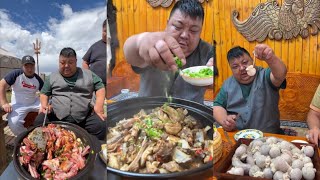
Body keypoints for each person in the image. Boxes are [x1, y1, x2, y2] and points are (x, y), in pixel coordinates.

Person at [123, 0, 214, 104]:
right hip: (147, 114)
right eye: (177, 26)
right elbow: (130, 52)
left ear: (200, 32)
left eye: (193, 31)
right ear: (167, 25)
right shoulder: (153, 44)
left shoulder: (208, 51)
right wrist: (140, 41)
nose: (184, 35)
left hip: (191, 116)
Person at [213, 44, 287, 134]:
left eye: (245, 62)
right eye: (235, 67)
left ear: (252, 61)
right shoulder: (228, 84)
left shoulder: (265, 75)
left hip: (267, 136)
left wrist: (270, 58)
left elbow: (281, 75)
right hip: (237, 135)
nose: (241, 68)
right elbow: (217, 105)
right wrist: (225, 121)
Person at [35, 47, 106, 140]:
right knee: (39, 121)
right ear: (58, 62)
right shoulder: (51, 77)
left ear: (76, 62)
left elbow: (100, 87)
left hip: (84, 118)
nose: (66, 66)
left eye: (71, 62)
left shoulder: (89, 74)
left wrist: (98, 105)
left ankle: (93, 150)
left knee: (100, 125)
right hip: (56, 117)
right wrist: (44, 105)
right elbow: (44, 93)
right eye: (62, 63)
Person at [0, 55, 43, 135]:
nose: (30, 69)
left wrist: (44, 105)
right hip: (18, 104)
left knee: (51, 105)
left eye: (32, 66)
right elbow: (1, 85)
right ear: (22, 66)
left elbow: (45, 92)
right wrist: (4, 103)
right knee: (14, 123)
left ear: (34, 66)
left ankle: (45, 134)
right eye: (26, 66)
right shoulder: (16, 74)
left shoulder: (37, 79)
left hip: (34, 103)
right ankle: (27, 138)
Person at [82, 19, 107, 85]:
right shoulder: (94, 46)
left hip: (113, 84)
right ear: (102, 30)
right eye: (105, 31)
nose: (106, 34)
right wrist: (88, 76)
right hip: (96, 85)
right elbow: (85, 62)